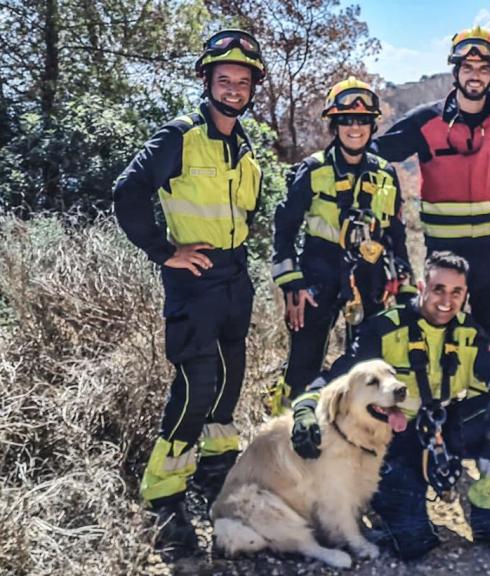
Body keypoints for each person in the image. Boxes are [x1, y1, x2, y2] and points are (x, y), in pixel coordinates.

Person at [112, 29, 267, 551]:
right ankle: (163, 498)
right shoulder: (180, 135)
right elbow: (127, 191)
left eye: (242, 82)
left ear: (251, 89)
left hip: (234, 279)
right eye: (224, 80)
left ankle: (215, 477)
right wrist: (164, 250)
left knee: (229, 384)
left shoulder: (244, 145)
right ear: (207, 82)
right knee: (196, 388)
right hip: (193, 280)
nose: (233, 89)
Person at [289, 251, 490, 560]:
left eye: (456, 292)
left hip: (441, 431)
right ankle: (387, 508)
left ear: (465, 295)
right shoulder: (384, 329)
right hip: (393, 442)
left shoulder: (467, 331)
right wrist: (304, 410)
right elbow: (338, 379)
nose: (446, 301)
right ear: (421, 287)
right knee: (415, 544)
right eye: (438, 289)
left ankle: (488, 516)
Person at [373, 26, 490, 351]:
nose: (475, 76)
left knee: (488, 343)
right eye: (468, 68)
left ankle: (483, 400)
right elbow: (373, 154)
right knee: (437, 341)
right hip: (444, 252)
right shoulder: (425, 121)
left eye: (483, 69)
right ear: (456, 71)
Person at [266, 76, 408, 415]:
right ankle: (286, 429)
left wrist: (404, 283)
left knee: (368, 363)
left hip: (369, 275)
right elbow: (284, 231)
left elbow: (396, 234)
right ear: (335, 125)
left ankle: (353, 434)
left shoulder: (386, 174)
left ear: (373, 126)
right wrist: (292, 283)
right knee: (305, 359)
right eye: (346, 120)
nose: (354, 127)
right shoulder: (312, 170)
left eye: (362, 120)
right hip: (319, 272)